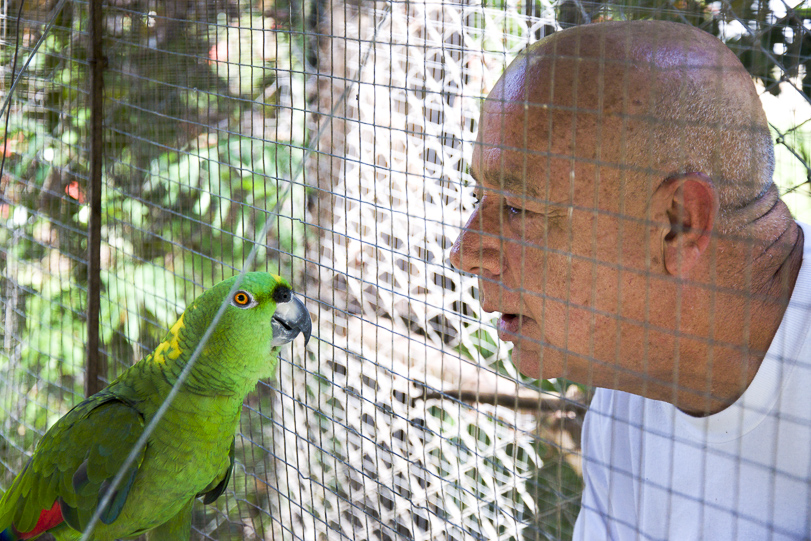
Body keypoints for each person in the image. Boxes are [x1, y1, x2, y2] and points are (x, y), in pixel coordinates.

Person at [449, 20, 811, 540]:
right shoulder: (632, 392)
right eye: (479, 199)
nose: (465, 254)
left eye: (518, 207)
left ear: (679, 224)